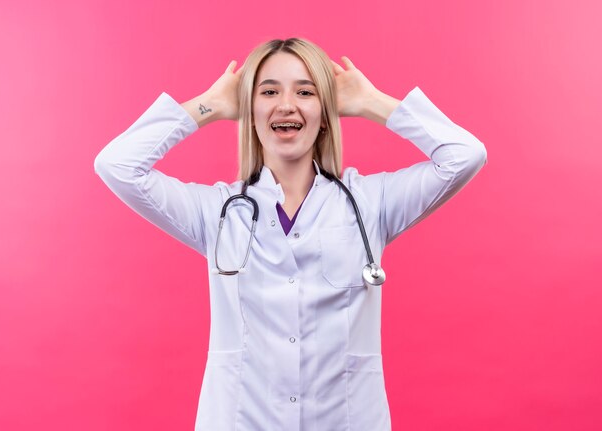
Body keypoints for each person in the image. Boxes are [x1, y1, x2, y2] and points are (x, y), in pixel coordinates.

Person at [94, 37, 487, 431]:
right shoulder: (218, 212)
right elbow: (118, 165)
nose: (286, 104)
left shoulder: (370, 203)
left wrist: (371, 102)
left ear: (325, 112)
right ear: (250, 111)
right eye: (269, 92)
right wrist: (209, 106)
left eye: (306, 91)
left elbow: (464, 155)